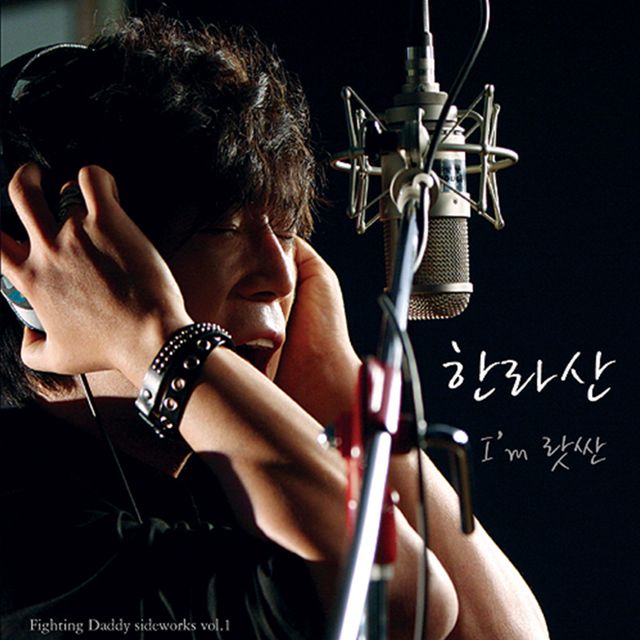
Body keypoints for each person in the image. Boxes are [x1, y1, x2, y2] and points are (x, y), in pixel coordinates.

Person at [0, 14, 549, 640]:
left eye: (285, 232)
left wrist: (336, 392)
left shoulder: (227, 472)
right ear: (58, 256)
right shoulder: (21, 524)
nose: (279, 276)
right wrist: (159, 343)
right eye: (222, 228)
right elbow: (388, 598)